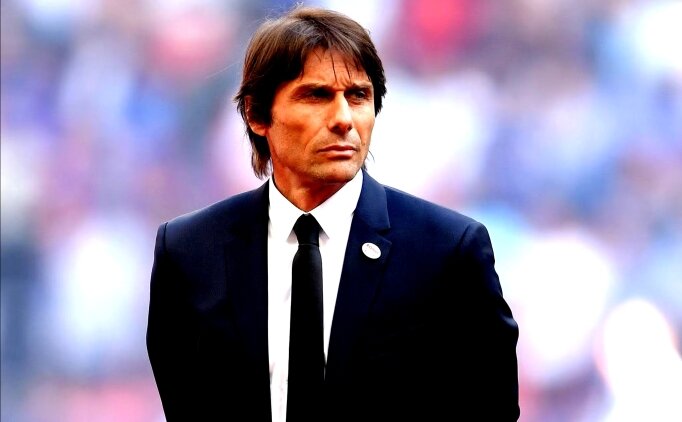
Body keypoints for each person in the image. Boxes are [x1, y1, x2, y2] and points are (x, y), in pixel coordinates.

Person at [146, 5, 519, 422]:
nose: (343, 119)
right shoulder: (189, 251)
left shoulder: (447, 251)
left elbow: (492, 407)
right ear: (256, 114)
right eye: (316, 95)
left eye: (358, 96)